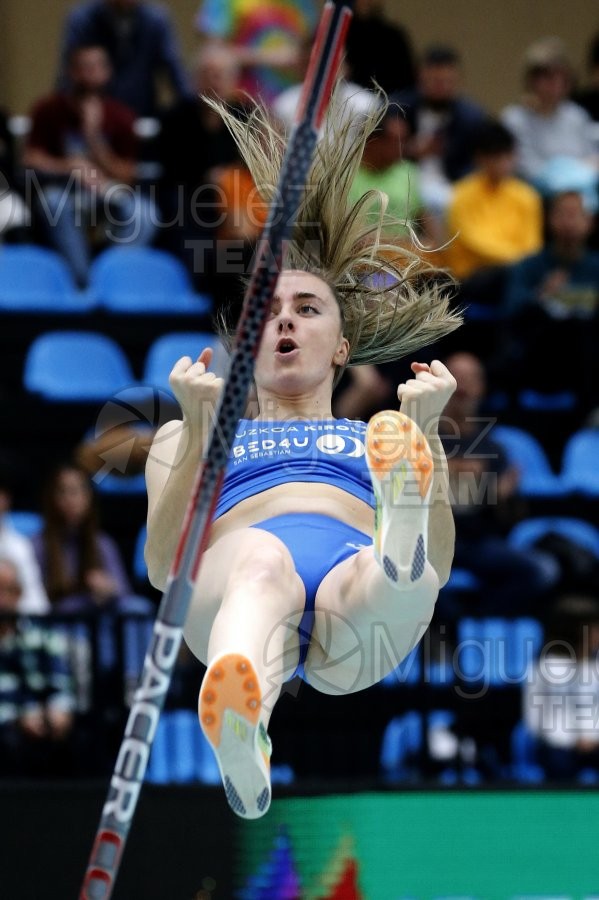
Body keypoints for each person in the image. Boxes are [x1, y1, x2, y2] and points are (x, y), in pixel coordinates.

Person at [144, 94, 462, 818]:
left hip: (360, 604)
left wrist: (425, 441)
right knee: (261, 562)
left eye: (308, 308)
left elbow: (442, 568)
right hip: (236, 587)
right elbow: (167, 567)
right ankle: (240, 721)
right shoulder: (183, 430)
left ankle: (395, 539)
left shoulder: (376, 436)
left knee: (393, 569)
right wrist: (199, 428)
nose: (285, 319)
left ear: (341, 347)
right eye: (269, 311)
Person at [23, 43, 157, 289]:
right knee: (53, 203)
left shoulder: (121, 116)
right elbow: (30, 158)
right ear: (71, 72)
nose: (89, 74)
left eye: (96, 67)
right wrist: (71, 166)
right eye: (83, 68)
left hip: (108, 190)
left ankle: (111, 277)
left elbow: (128, 174)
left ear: (107, 73)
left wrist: (94, 139)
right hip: (65, 191)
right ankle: (82, 282)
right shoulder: (48, 109)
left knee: (145, 213)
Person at [438, 352, 560, 620]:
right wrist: (477, 485)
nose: (464, 387)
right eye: (456, 378)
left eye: (471, 379)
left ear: (481, 388)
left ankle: (472, 620)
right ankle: (448, 630)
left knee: (542, 569)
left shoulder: (493, 447)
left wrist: (500, 496)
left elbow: (506, 516)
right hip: (429, 543)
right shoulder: (421, 437)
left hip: (476, 542)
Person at [502, 190, 599, 407]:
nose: (569, 222)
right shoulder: (529, 266)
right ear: (549, 220)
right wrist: (542, 294)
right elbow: (511, 309)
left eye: (576, 215)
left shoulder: (595, 267)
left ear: (590, 222)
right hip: (538, 358)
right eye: (563, 214)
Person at [393, 44, 487, 221]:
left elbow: (475, 165)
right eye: (435, 81)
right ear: (421, 77)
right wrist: (410, 151)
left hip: (453, 187)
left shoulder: (472, 118)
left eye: (448, 82)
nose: (442, 87)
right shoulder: (397, 108)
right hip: (404, 182)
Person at [0, 558, 76, 776]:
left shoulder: (43, 634)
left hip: (41, 724)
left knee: (73, 737)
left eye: (9, 590)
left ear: (20, 594)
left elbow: (60, 682)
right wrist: (17, 718)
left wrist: (58, 709)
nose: (2, 599)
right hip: (8, 729)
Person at [501, 38, 598, 206]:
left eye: (561, 77)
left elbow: (592, 161)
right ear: (532, 80)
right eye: (547, 77)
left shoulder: (577, 116)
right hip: (535, 199)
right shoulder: (515, 119)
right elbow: (527, 170)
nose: (555, 84)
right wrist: (567, 177)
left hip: (579, 199)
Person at [445, 118, 543, 280]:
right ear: (480, 158)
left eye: (508, 156)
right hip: (472, 274)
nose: (503, 163)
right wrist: (517, 260)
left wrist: (520, 263)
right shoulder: (462, 193)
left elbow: (532, 245)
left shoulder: (527, 195)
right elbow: (473, 242)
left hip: (514, 271)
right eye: (496, 157)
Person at [57, 0, 189, 118]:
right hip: (94, 119)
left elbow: (176, 74)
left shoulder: (156, 20)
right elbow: (67, 76)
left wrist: (194, 112)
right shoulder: (82, 19)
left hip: (141, 117)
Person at [195, 0, 318, 105]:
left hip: (293, 103)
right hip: (242, 106)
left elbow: (311, 47)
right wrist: (274, 58)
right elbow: (213, 53)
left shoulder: (302, 3)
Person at [344, 0, 416, 96]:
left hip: (387, 104)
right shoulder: (335, 36)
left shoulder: (394, 38)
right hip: (342, 103)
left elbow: (407, 84)